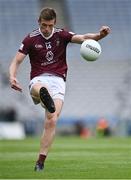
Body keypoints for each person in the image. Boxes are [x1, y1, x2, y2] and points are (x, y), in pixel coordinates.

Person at [9, 7, 111, 171]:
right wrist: (12, 76)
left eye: (49, 25)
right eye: (43, 25)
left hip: (58, 81)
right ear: (39, 23)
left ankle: (40, 162)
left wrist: (100, 36)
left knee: (52, 119)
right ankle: (43, 96)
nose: (47, 29)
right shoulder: (30, 39)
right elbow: (16, 61)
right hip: (39, 78)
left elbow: (84, 38)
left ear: (54, 23)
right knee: (40, 88)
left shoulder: (61, 35)